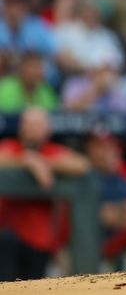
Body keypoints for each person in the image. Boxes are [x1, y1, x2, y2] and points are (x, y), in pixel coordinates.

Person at [0, 107, 90, 280]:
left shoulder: (52, 151)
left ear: (48, 130)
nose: (32, 129)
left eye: (37, 125)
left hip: (40, 241)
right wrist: (26, 159)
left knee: (34, 286)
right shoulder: (11, 147)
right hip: (7, 237)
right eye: (28, 124)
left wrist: (41, 161)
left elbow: (82, 165)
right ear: (21, 128)